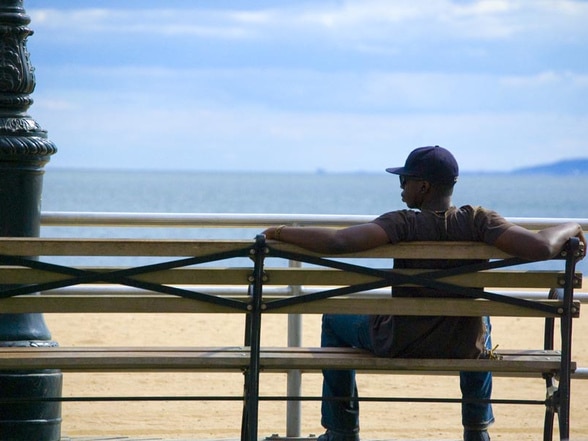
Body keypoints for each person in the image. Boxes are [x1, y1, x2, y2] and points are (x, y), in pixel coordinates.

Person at [262, 146, 585, 441]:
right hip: (462, 344)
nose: (401, 186)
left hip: (401, 339)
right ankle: (476, 432)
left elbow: (339, 242)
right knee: (480, 318)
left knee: (333, 319)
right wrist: (572, 226)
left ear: (424, 187)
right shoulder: (479, 221)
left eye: (405, 180)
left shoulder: (402, 224)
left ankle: (341, 431)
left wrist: (279, 231)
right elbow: (542, 246)